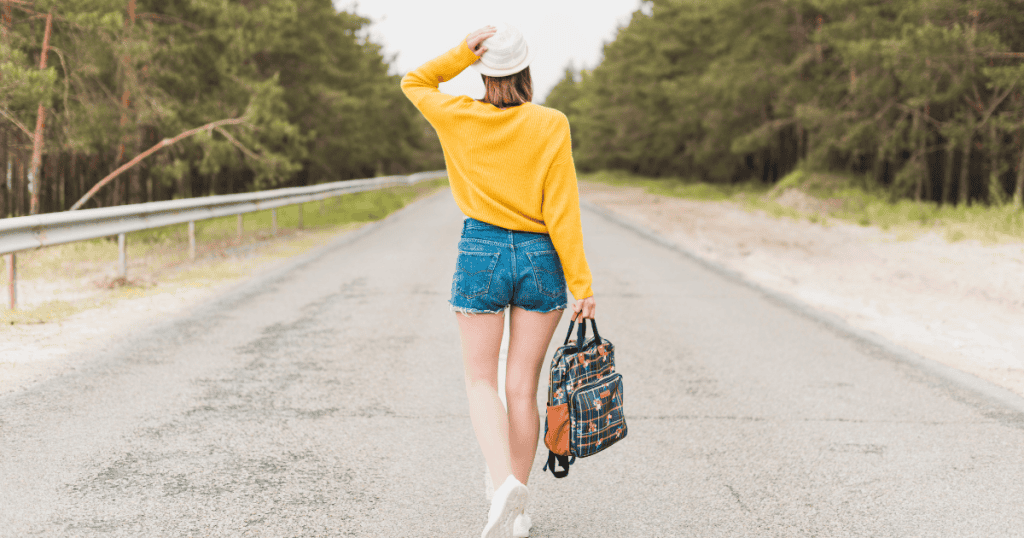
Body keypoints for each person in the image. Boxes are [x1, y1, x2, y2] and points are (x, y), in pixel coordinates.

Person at [402, 23, 596, 538]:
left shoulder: (458, 115)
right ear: (527, 71)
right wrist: (581, 283)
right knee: (520, 387)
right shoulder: (552, 124)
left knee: (480, 380)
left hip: (482, 251)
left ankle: (502, 485)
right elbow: (563, 208)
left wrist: (460, 55)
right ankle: (519, 505)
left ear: (484, 73)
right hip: (541, 256)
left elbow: (415, 82)